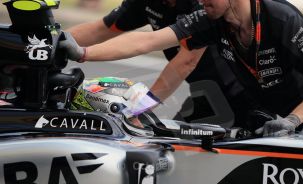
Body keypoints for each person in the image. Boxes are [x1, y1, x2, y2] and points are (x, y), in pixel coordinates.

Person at [60, 0, 303, 136]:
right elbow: (149, 40)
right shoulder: (210, 18)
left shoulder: (280, 17)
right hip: (276, 120)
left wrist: (294, 120)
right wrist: (81, 52)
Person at [65, 0, 247, 127]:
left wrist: (140, 108)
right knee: (169, 150)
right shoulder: (148, 2)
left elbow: (186, 62)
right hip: (206, 95)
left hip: (243, 96)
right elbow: (102, 30)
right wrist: (54, 41)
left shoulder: (204, 5)